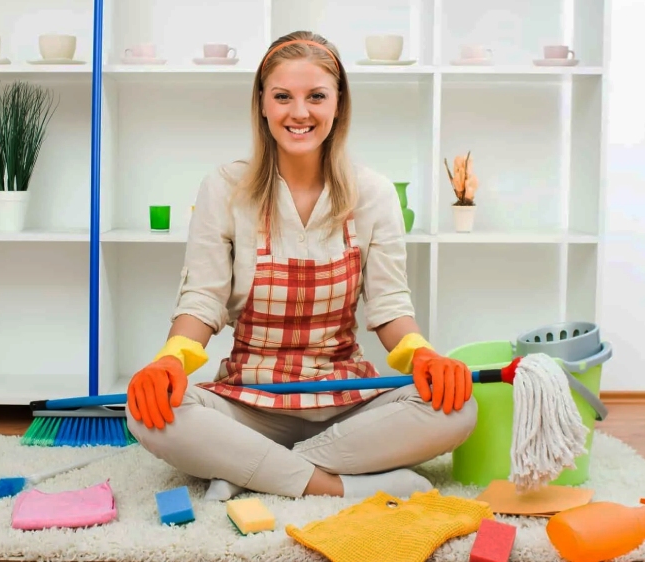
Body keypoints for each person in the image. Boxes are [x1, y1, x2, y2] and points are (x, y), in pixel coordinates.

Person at [125, 30, 478, 501]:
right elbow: (203, 298)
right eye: (283, 97)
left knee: (459, 410)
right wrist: (170, 360)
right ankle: (336, 485)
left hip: (346, 400)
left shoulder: (373, 193)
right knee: (144, 413)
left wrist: (425, 357)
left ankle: (247, 467)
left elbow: (390, 306)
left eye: (316, 96)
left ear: (338, 104)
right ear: (263, 104)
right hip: (249, 399)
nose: (299, 112)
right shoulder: (224, 187)